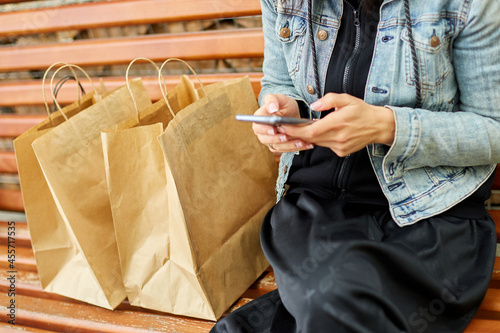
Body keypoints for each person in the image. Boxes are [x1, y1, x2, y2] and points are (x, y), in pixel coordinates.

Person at [211, 0, 500, 331]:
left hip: (432, 216)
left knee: (325, 305)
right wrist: (285, 109)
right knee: (332, 300)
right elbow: (278, 84)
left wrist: (387, 126)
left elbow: (494, 128)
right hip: (316, 211)